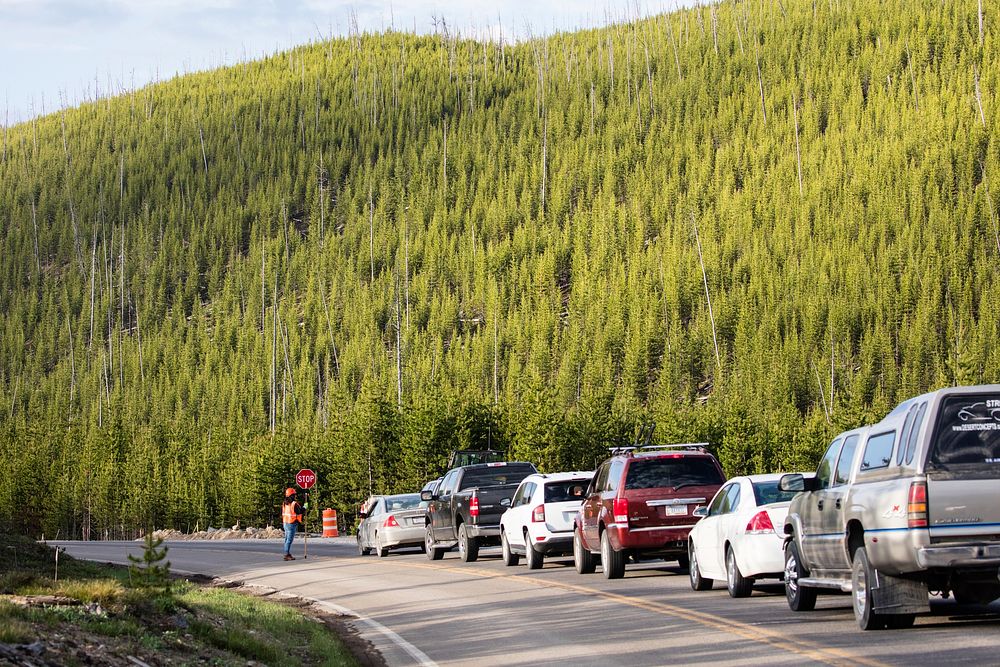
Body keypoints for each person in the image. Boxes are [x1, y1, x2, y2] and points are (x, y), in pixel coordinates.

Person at [281, 488, 303, 561]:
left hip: (285, 523)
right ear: (292, 495)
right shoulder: (294, 504)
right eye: (294, 495)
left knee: (286, 539)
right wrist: (305, 507)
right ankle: (286, 554)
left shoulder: (284, 503)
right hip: (291, 524)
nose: (295, 496)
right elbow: (299, 512)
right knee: (289, 540)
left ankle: (287, 553)